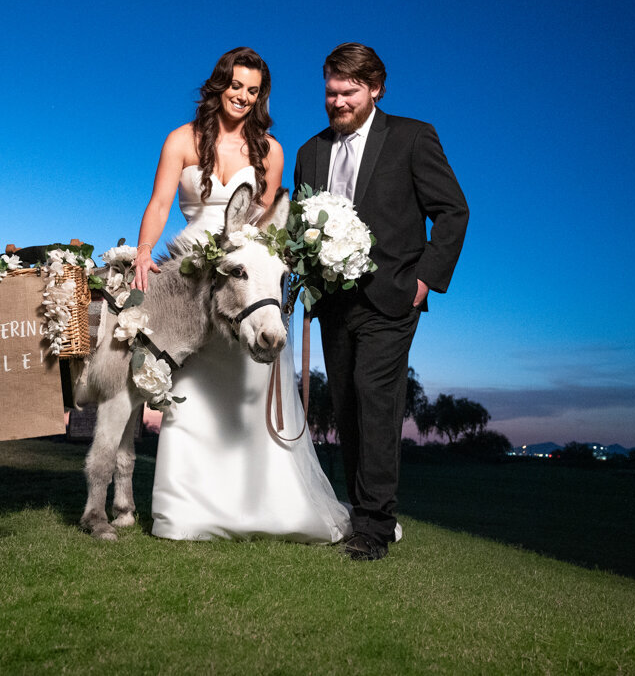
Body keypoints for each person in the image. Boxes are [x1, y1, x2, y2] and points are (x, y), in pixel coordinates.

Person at [132, 47, 351, 543]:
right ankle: (185, 512)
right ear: (219, 84)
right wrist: (145, 251)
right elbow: (161, 201)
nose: (243, 97)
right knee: (189, 389)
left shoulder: (270, 151)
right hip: (193, 278)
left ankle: (265, 506)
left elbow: (269, 223)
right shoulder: (181, 140)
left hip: (246, 281)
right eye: (236, 86)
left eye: (253, 91)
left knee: (251, 392)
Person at [294, 43, 468, 560]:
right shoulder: (309, 152)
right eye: (331, 91)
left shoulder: (413, 137)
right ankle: (361, 511)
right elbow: (301, 227)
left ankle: (374, 526)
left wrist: (424, 280)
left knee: (376, 398)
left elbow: (453, 211)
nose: (338, 102)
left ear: (376, 89)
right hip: (332, 300)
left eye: (349, 92)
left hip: (392, 297)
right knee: (346, 404)